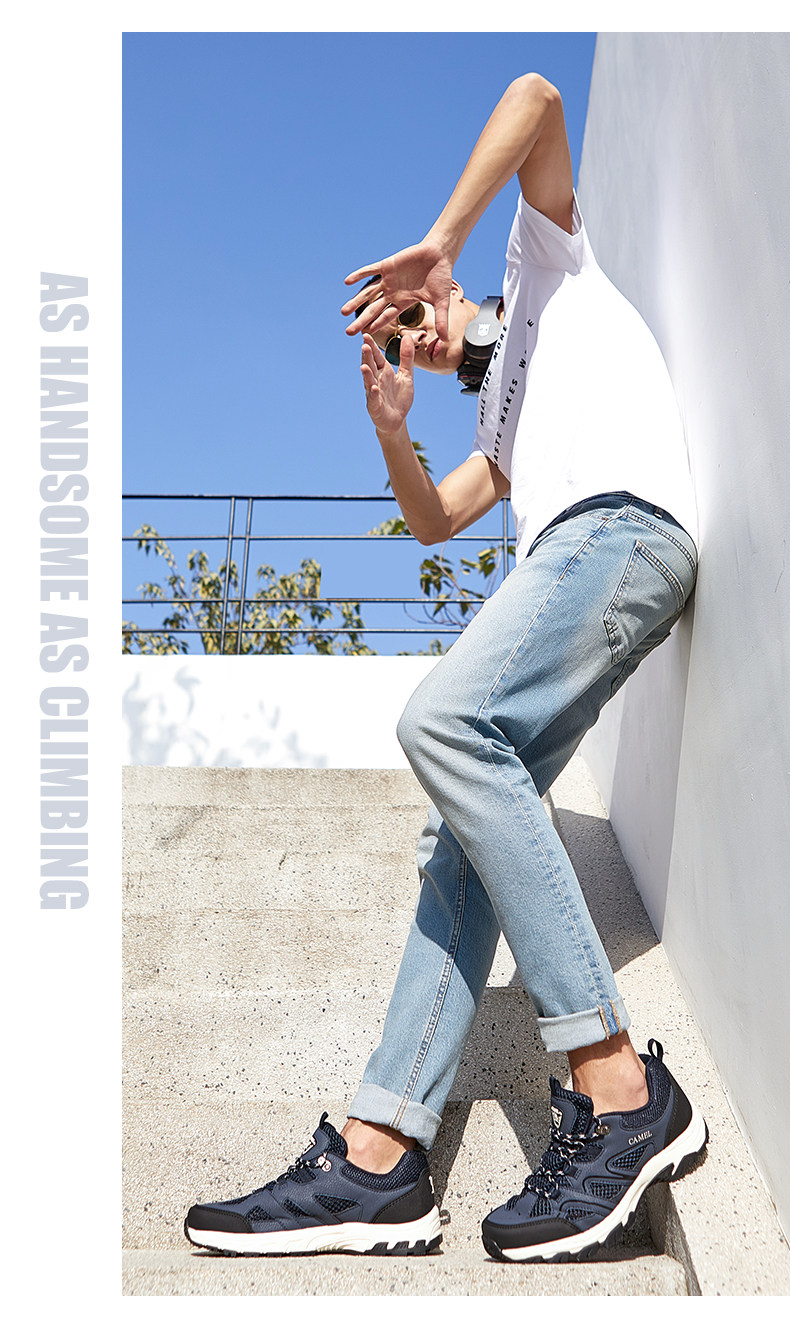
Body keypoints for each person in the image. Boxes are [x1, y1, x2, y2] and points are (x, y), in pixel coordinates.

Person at [185, 72, 708, 1264]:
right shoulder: (498, 423)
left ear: (456, 296)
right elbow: (436, 520)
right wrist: (391, 432)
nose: (417, 332)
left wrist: (438, 242)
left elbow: (535, 98)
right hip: (577, 561)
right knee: (457, 839)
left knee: (441, 722)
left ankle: (619, 1085)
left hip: (618, 531)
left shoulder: (545, 272)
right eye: (402, 336)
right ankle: (381, 1156)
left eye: (420, 312)